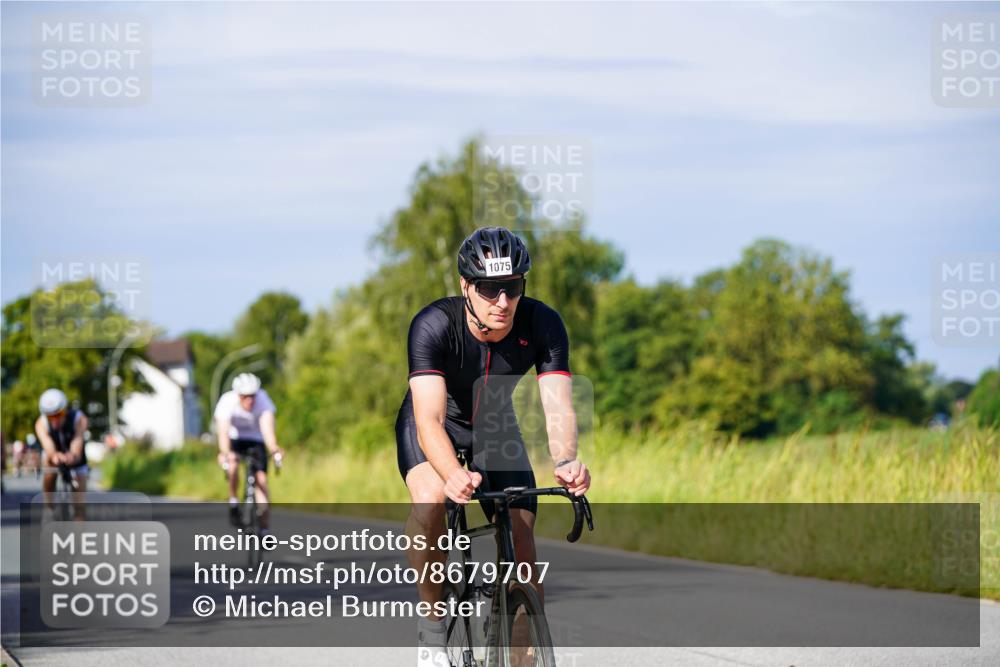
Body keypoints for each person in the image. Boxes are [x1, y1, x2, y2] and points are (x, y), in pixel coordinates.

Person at [396, 227, 591, 665]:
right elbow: (427, 419)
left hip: (494, 426)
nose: (502, 302)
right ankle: (432, 625)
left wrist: (566, 460)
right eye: (488, 289)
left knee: (522, 541)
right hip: (434, 424)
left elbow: (558, 406)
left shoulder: (544, 324)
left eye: (513, 288)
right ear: (465, 285)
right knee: (430, 503)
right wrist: (451, 474)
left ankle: (519, 650)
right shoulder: (433, 324)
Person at [214, 373, 283, 534]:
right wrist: (225, 452)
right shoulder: (227, 401)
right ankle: (233, 502)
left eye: (252, 396)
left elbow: (268, 430)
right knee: (232, 465)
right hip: (235, 438)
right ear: (238, 395)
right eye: (245, 397)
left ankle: (264, 529)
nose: (249, 401)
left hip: (256, 440)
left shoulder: (263, 400)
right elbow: (223, 432)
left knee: (262, 481)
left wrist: (274, 448)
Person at [34, 388, 89, 516]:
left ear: (65, 410)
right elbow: (48, 446)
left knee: (80, 505)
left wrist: (73, 455)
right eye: (50, 416)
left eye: (58, 414)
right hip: (54, 454)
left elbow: (78, 441)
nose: (54, 420)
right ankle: (48, 508)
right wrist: (54, 455)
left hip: (76, 456)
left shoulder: (79, 418)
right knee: (49, 471)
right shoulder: (40, 424)